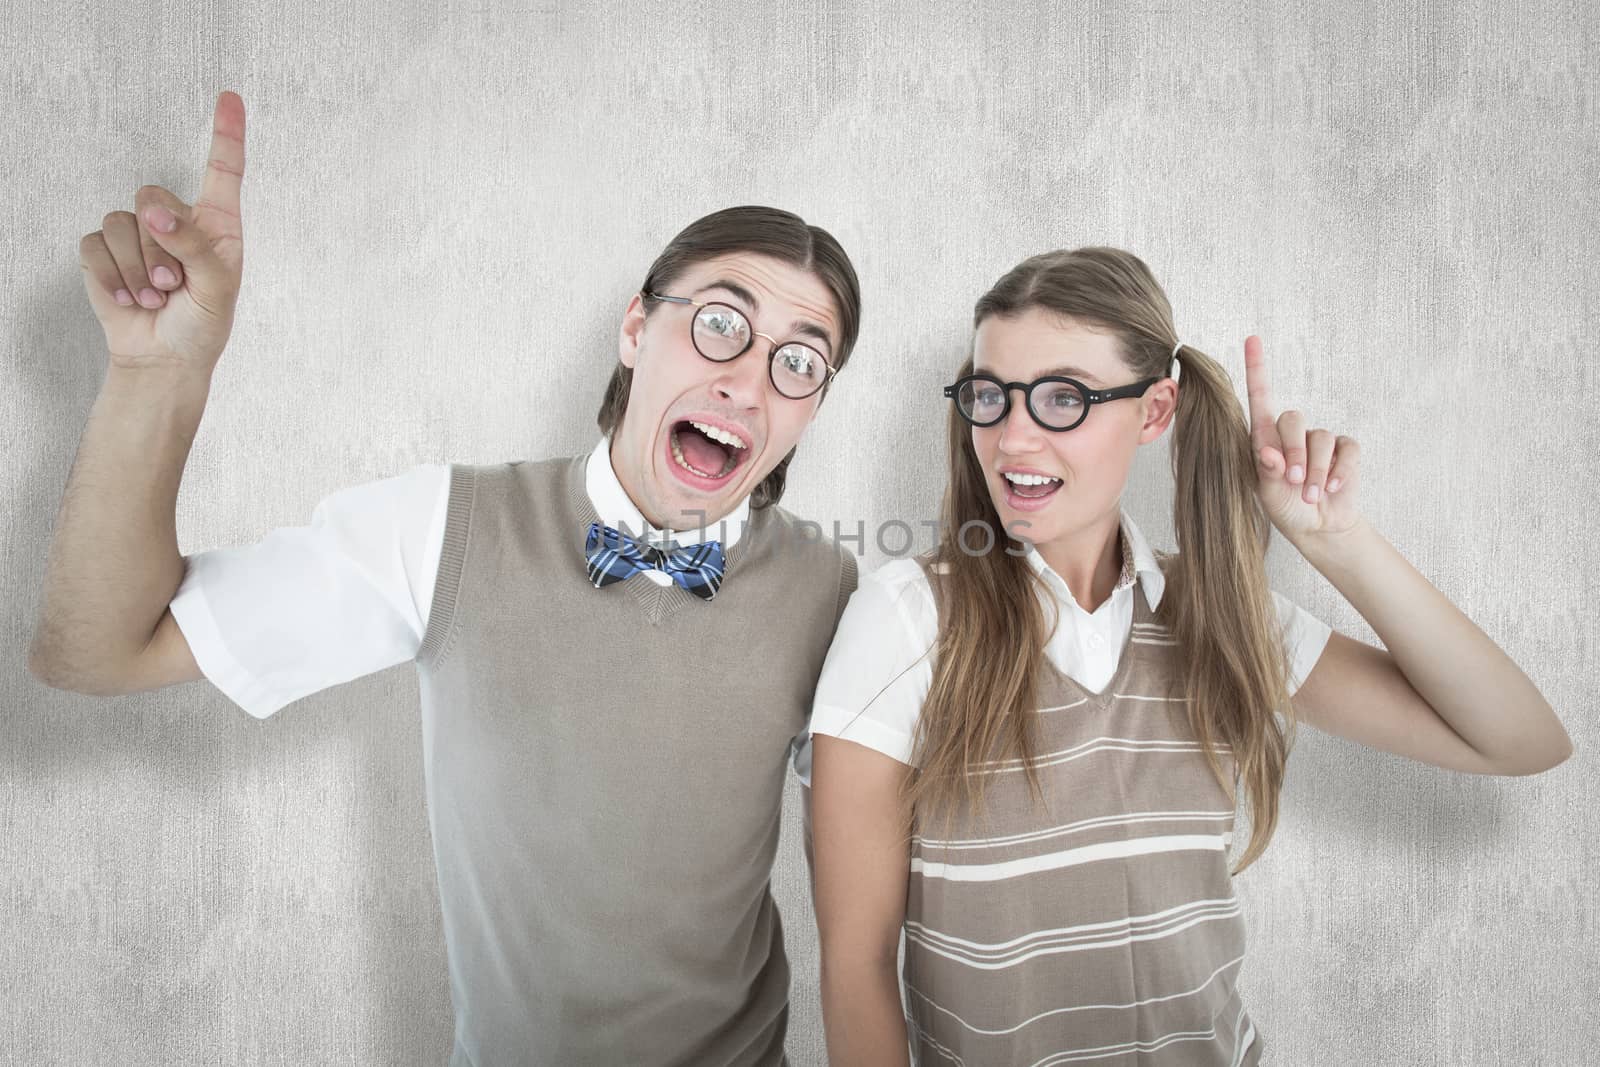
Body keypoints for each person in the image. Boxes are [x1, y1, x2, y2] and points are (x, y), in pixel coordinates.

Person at [28, 90, 863, 1066]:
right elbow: (95, 651)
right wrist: (155, 378)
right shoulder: (441, 528)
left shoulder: (832, 591)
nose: (748, 379)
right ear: (635, 328)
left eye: (799, 360)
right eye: (720, 322)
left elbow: (910, 862)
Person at [802, 246, 1572, 1066]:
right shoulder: (905, 618)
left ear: (1155, 410)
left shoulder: (1218, 613)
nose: (1012, 437)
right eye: (990, 397)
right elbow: (856, 966)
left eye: (1064, 397)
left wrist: (1337, 541)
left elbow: (1519, 739)